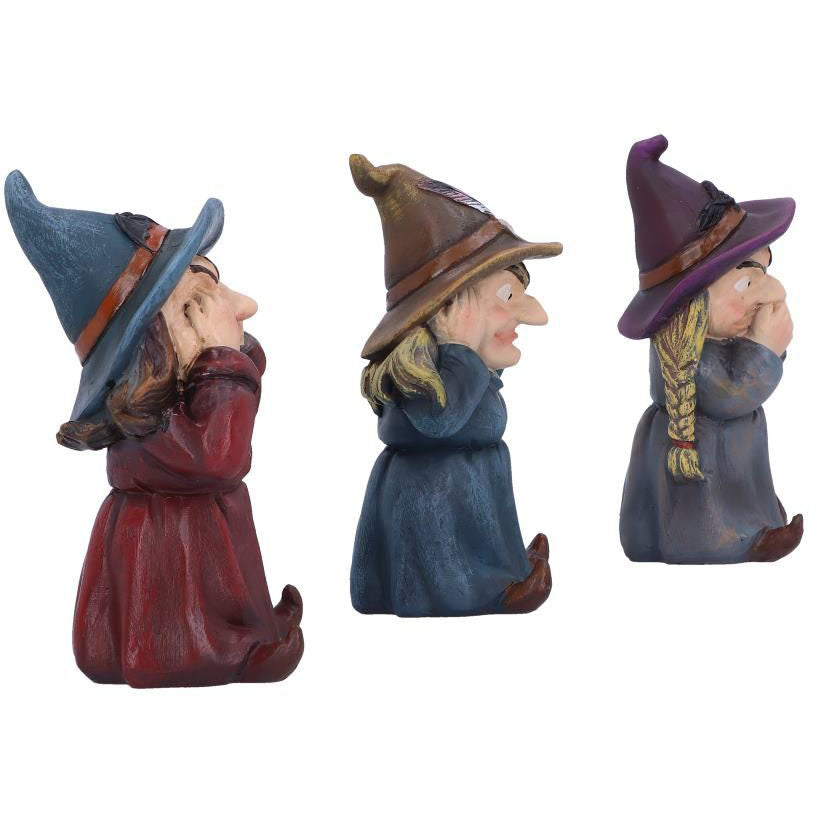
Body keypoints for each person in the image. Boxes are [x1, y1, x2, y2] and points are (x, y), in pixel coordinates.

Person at [5, 171, 303, 686]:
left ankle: (237, 631)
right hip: (175, 555)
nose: (245, 306)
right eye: (200, 302)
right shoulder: (154, 425)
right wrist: (223, 358)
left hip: (194, 542)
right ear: (156, 339)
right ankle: (200, 648)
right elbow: (220, 458)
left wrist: (228, 357)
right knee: (176, 622)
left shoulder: (162, 412)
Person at [350, 154, 562, 615]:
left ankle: (501, 570)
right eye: (507, 296)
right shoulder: (427, 381)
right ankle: (476, 588)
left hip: (464, 500)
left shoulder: (468, 375)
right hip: (436, 533)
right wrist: (461, 350)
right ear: (448, 309)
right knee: (445, 497)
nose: (535, 316)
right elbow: (440, 420)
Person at [618, 136, 803, 564]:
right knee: (709, 481)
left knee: (740, 461)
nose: (774, 291)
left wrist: (763, 349)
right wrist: (765, 349)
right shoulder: (686, 357)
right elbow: (728, 396)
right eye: (747, 280)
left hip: (726, 450)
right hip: (700, 463)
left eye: (766, 271)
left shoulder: (713, 341)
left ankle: (754, 517)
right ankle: (724, 536)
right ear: (692, 302)